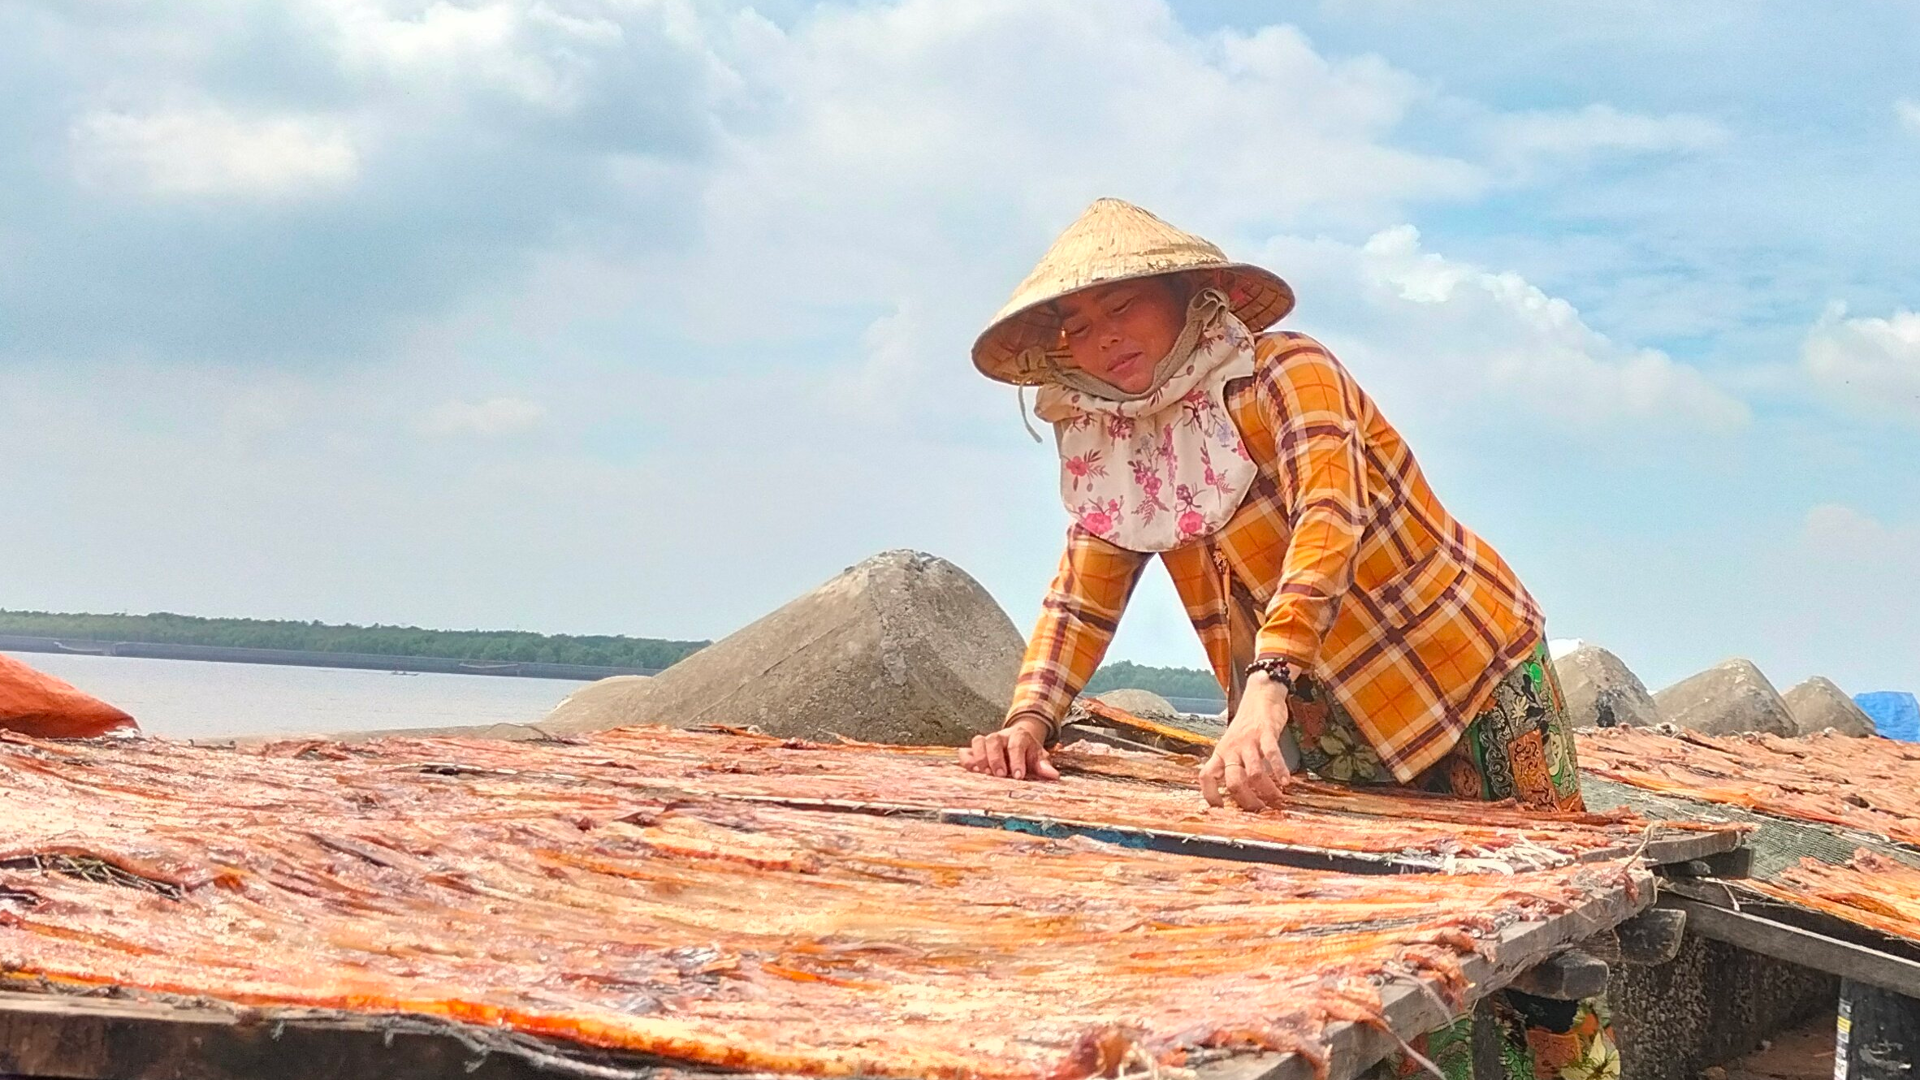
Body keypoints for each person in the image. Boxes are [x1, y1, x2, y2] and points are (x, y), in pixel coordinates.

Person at [958, 199, 1616, 1080]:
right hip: (1326, 719)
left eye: (1123, 307)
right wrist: (1029, 718)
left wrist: (1265, 686)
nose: (1102, 336)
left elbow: (1328, 520)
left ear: (1187, 295)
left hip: (1465, 678)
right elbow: (1083, 591)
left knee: (1539, 954)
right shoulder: (1113, 446)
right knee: (1402, 961)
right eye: (1078, 324)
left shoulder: (1285, 374)